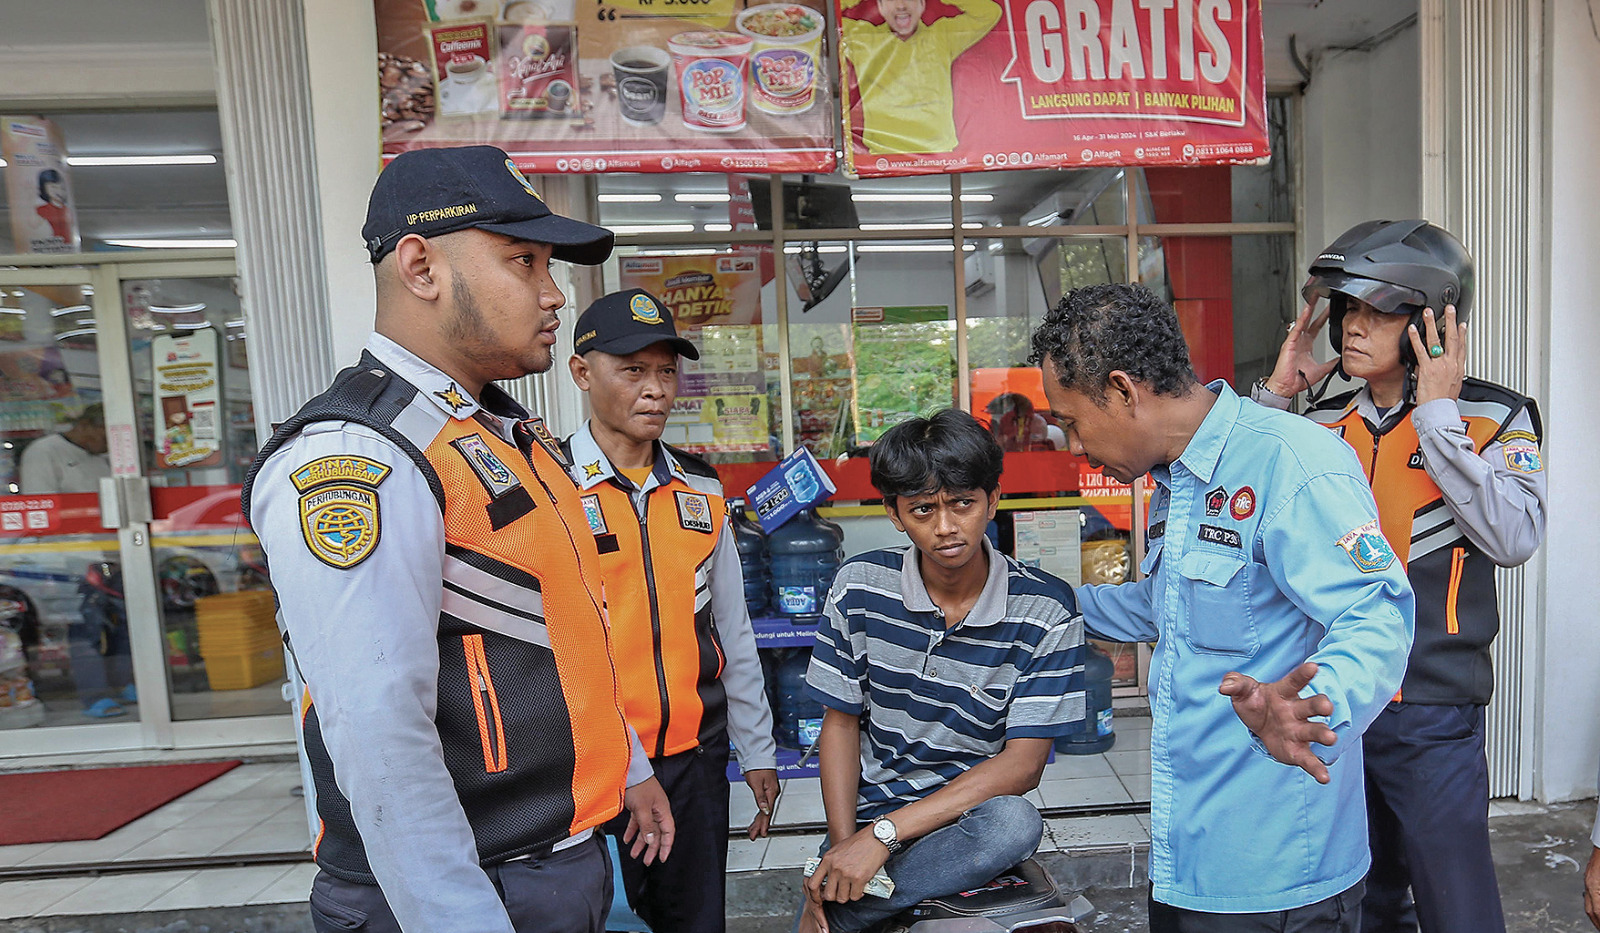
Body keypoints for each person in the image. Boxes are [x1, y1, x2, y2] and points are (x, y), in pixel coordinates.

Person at [242, 145, 674, 933]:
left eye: (551, 267)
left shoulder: (505, 431)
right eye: (524, 262)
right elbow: (379, 736)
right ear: (420, 266)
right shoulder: (362, 456)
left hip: (557, 860)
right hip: (461, 893)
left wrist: (628, 768)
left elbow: (568, 628)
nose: (553, 295)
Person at [1032, 283, 1414, 932]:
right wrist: (1046, 601)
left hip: (1280, 876)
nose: (1073, 445)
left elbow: (1377, 614)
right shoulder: (1175, 481)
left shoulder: (1294, 462)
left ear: (1124, 391)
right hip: (1189, 859)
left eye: (1071, 421)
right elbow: (1167, 605)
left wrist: (1313, 709)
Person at [1253, 220, 1546, 933]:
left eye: (1377, 311)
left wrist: (1439, 415)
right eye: (1349, 310)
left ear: (1428, 320)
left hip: (1433, 709)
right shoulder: (1319, 420)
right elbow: (1252, 517)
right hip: (1339, 698)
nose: (1353, 327)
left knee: (1458, 906)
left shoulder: (1494, 414)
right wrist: (1275, 401)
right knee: (1366, 899)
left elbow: (1515, 536)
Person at [799, 408, 1085, 933]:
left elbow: (1022, 768)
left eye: (963, 503)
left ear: (992, 499)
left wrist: (880, 839)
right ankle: (850, 889)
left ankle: (844, 911)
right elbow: (840, 723)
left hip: (963, 821)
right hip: (868, 812)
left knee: (1014, 822)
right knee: (851, 861)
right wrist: (845, 847)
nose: (947, 527)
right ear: (894, 513)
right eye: (923, 510)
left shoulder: (1045, 608)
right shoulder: (860, 586)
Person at [563, 287, 780, 933]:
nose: (655, 389)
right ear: (582, 372)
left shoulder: (702, 488)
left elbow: (732, 630)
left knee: (695, 922)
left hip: (693, 758)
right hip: (591, 767)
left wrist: (756, 747)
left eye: (665, 370)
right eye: (633, 370)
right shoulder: (552, 486)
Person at [838, 0, 1000, 155]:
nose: (901, 5)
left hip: (939, 155)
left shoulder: (941, 37)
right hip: (882, 155)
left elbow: (989, 13)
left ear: (922, 4)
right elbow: (822, 17)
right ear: (880, 6)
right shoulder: (863, 38)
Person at [20, 402, 110, 494]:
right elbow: (40, 499)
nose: (108, 446)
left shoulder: (105, 456)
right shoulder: (43, 451)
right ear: (84, 425)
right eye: (104, 439)